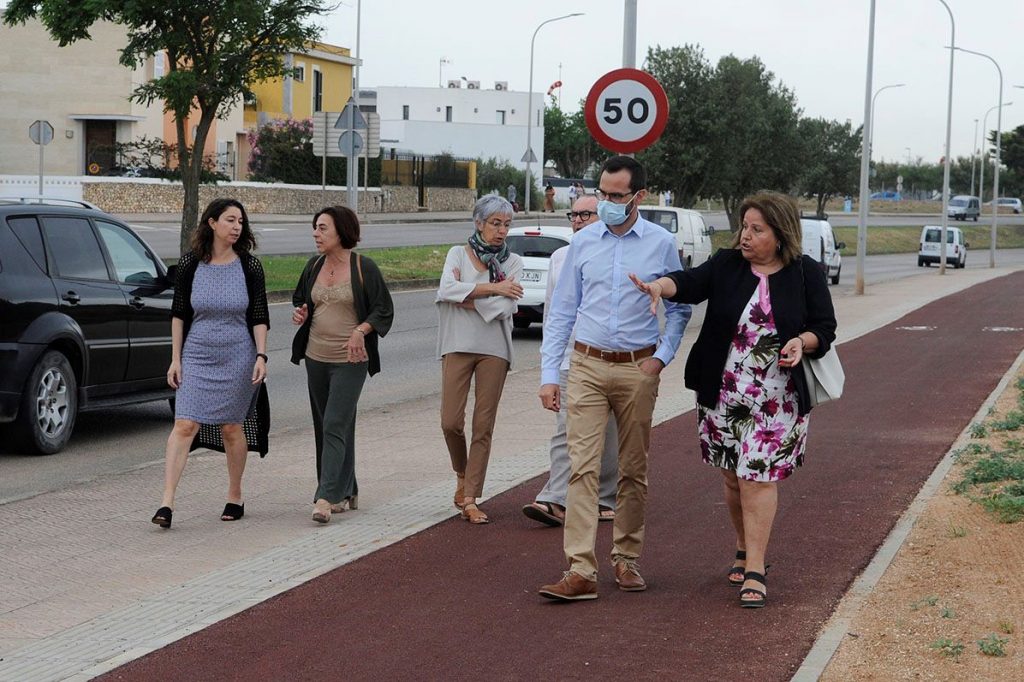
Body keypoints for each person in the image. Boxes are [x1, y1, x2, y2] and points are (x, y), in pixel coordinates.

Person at [630, 191, 837, 608]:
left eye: (756, 229)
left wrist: (802, 341)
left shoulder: (805, 273)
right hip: (723, 392)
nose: (745, 236)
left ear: (780, 234)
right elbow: (689, 282)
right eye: (744, 226)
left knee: (756, 477)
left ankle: (756, 568)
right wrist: (659, 286)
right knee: (731, 475)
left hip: (778, 400)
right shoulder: (727, 265)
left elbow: (825, 327)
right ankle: (743, 544)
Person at [537, 155, 691, 600]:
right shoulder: (584, 244)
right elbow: (563, 310)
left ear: (639, 197)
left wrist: (661, 358)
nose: (605, 202)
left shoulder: (661, 244)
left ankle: (626, 559)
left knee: (632, 469)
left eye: (615, 196)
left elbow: (680, 308)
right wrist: (550, 374)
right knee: (581, 468)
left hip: (637, 367)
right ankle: (580, 569)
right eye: (601, 193)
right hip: (585, 365)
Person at [151, 198, 269, 529]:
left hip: (238, 355)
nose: (237, 227)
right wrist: (176, 359)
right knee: (184, 424)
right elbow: (179, 314)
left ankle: (235, 494)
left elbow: (259, 315)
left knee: (232, 427)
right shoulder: (191, 264)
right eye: (231, 220)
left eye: (241, 222)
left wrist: (261, 355)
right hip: (197, 353)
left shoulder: (249, 266)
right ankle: (167, 502)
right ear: (212, 223)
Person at [291, 206, 394, 524]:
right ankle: (347, 488)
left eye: (322, 228)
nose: (316, 234)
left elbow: (383, 310)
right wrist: (301, 313)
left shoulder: (365, 268)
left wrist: (361, 331)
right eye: (315, 228)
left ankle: (325, 497)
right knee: (329, 424)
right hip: (315, 357)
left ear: (341, 231)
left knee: (335, 421)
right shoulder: (313, 266)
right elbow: (301, 299)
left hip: (351, 360)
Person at [522, 193, 618, 527]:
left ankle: (605, 496)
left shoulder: (616, 254)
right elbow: (553, 314)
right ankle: (554, 497)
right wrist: (548, 369)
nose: (577, 221)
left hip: (612, 357)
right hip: (569, 359)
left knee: (610, 431)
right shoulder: (560, 257)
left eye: (585, 215)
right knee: (566, 429)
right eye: (573, 215)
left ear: (603, 216)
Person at [437, 195, 524, 524]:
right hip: (457, 343)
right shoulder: (457, 254)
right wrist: (494, 289)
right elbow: (445, 289)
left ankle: (471, 496)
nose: (501, 231)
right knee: (450, 422)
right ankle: (462, 471)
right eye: (495, 223)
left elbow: (503, 310)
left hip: (494, 349)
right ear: (479, 223)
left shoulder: (512, 263)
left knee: (483, 425)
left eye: (506, 224)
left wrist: (466, 294)